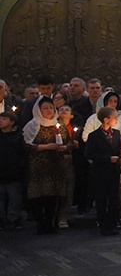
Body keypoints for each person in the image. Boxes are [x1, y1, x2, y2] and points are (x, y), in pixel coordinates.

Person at [23, 97, 71, 234]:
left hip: (56, 166)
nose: (49, 111)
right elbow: (26, 146)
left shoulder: (59, 125)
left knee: (53, 196)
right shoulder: (33, 125)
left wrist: (64, 148)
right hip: (39, 167)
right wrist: (45, 147)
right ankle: (40, 224)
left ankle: (50, 223)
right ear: (39, 110)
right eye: (45, 108)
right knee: (39, 196)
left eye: (51, 108)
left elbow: (69, 143)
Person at [85, 108, 121, 236]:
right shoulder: (94, 136)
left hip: (113, 172)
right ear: (106, 120)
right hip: (100, 172)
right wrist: (107, 158)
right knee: (101, 199)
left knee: (113, 198)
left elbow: (116, 150)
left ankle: (112, 223)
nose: (116, 120)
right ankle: (103, 225)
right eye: (114, 118)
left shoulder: (116, 134)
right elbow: (89, 154)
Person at [0, 111, 26, 230]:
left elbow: (22, 154)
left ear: (12, 122)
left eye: (4, 119)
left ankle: (14, 219)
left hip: (14, 172)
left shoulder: (18, 136)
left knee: (14, 198)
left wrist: (20, 168)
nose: (1, 121)